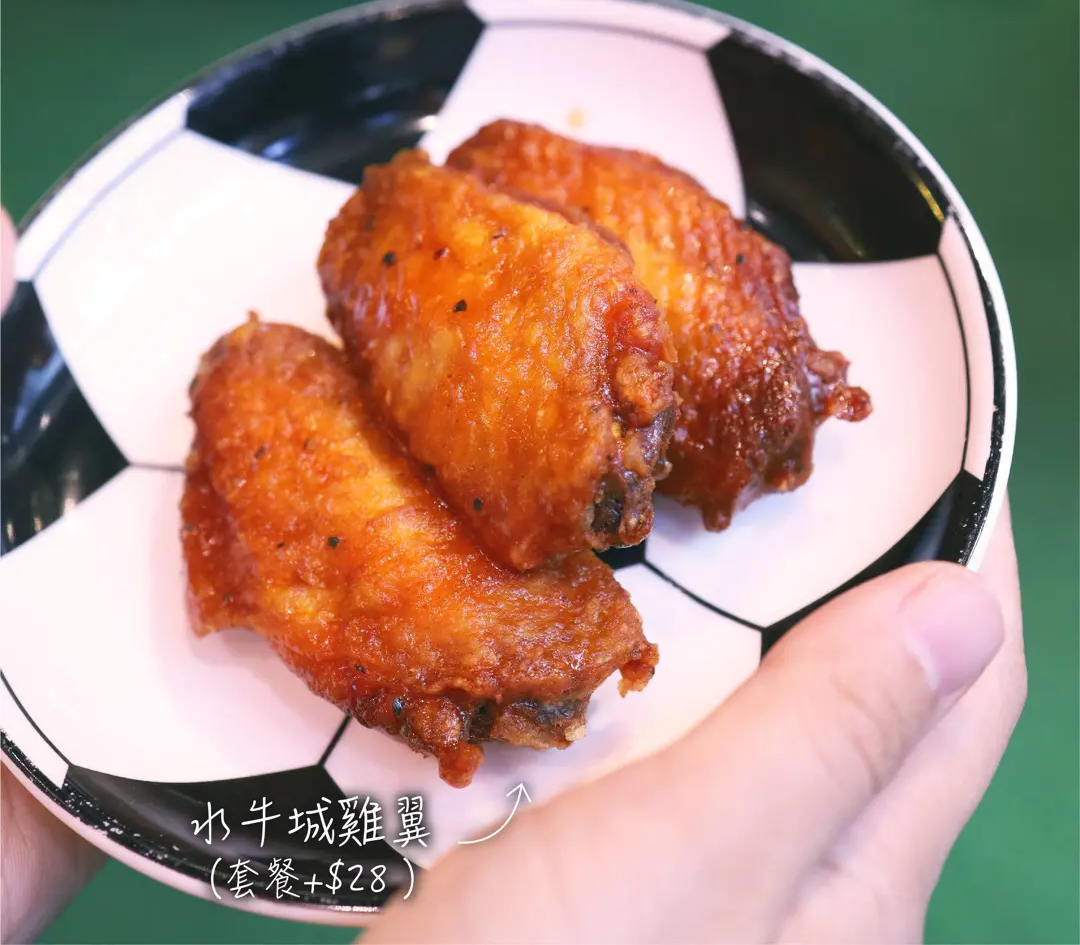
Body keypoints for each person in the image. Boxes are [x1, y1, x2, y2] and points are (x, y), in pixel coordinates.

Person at [0, 207, 1026, 944]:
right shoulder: (295, 342)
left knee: (697, 382)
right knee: (280, 368)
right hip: (471, 611)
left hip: (536, 534)